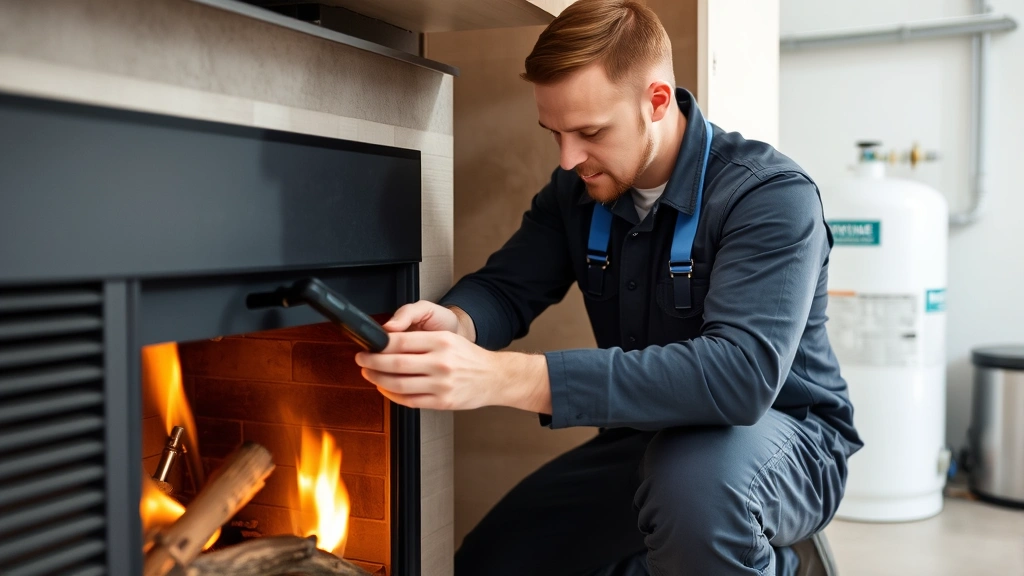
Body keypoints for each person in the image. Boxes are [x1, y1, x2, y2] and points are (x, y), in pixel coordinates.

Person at [354, 1, 863, 574]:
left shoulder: (768, 196)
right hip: (646, 437)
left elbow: (738, 377)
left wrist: (506, 376)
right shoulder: (576, 191)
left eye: (590, 132)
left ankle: (779, 561)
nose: (569, 158)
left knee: (695, 493)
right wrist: (457, 323)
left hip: (783, 440)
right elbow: (506, 288)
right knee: (491, 563)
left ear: (657, 101)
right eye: (555, 133)